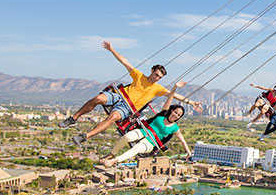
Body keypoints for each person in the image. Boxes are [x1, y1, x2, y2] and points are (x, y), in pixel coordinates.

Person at [59, 41, 201, 145]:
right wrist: (112, 49)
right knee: (98, 98)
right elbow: (125, 62)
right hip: (120, 96)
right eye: (156, 74)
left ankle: (85, 136)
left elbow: (174, 95)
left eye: (159, 77)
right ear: (152, 71)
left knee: (113, 117)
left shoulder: (158, 89)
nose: (156, 78)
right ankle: (73, 118)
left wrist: (192, 102)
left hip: (127, 108)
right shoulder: (139, 76)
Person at [104, 81, 191, 167]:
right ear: (172, 110)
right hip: (144, 131)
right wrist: (175, 87)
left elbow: (183, 141)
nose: (176, 115)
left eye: (178, 115)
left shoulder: (175, 128)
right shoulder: (163, 114)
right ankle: (112, 154)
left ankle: (114, 160)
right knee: (127, 137)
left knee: (136, 148)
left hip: (151, 143)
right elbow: (170, 97)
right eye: (176, 112)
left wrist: (188, 152)